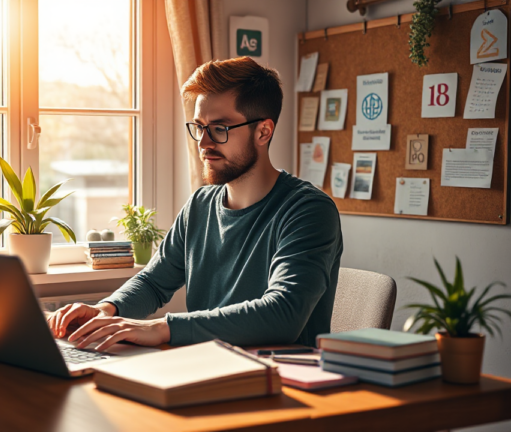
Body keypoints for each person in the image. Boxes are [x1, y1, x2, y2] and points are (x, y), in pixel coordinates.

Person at [47, 57, 343, 351]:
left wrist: (163, 328)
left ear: (263, 131)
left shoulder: (308, 211)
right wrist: (108, 309)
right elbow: (153, 282)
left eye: (219, 129)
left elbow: (282, 315)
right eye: (199, 127)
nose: (203, 143)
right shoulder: (200, 205)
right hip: (204, 366)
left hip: (280, 380)